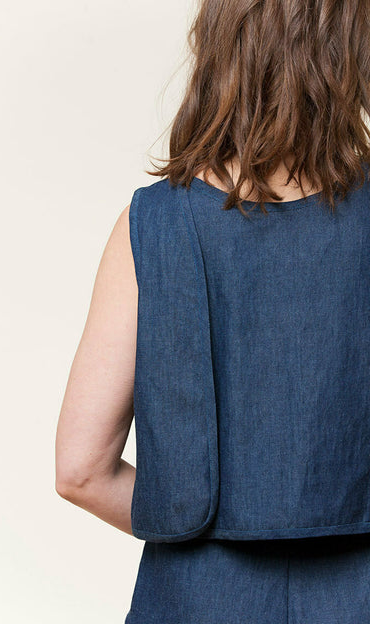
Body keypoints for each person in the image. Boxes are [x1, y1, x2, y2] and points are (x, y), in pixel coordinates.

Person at [55, 1, 370, 622]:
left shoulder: (153, 226)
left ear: (220, 48)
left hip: (197, 599)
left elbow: (80, 471)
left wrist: (196, 529)